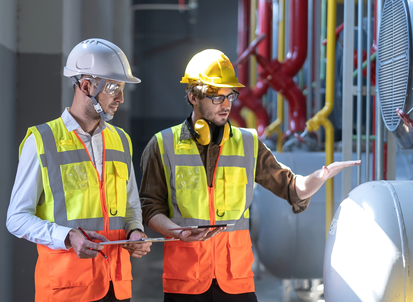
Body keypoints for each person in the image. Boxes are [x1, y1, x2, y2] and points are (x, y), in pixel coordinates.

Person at [139, 48, 361, 301]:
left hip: (235, 280)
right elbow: (150, 208)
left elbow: (290, 187)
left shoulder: (248, 143)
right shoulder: (162, 145)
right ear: (193, 96)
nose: (226, 105)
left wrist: (317, 178)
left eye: (230, 96)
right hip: (186, 280)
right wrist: (175, 231)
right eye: (216, 97)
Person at [6, 38, 152, 302]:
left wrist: (135, 231)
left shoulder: (121, 140)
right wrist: (68, 236)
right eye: (114, 87)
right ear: (86, 86)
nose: (120, 98)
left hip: (116, 287)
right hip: (68, 290)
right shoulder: (41, 141)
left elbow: (131, 206)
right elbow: (16, 218)